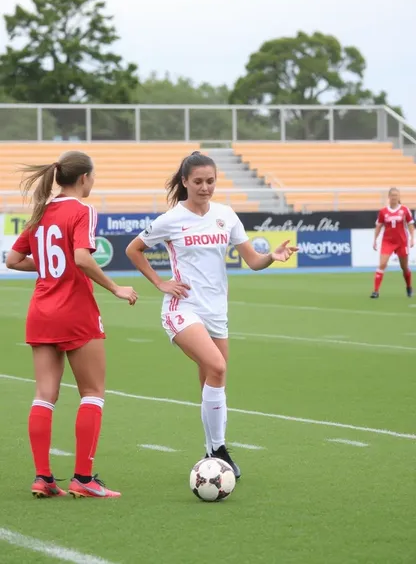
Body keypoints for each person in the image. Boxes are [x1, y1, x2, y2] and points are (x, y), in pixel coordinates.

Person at [125, 151, 297, 478]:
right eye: (199, 181)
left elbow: (253, 260)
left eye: (211, 181)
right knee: (216, 365)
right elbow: (133, 249)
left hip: (217, 311)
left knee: (213, 377)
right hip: (183, 309)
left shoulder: (226, 215)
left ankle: (210, 453)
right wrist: (160, 282)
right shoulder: (171, 219)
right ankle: (219, 448)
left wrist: (272, 256)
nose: (205, 188)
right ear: (185, 182)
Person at [6, 150, 138, 498]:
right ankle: (83, 478)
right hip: (74, 310)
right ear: (84, 179)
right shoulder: (82, 210)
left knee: (44, 395)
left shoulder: (41, 212)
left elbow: (13, 259)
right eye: (93, 177)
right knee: (92, 393)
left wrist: (51, 266)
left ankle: (43, 479)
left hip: (40, 310)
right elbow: (81, 257)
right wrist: (115, 287)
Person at [371, 187, 414, 299]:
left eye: (396, 195)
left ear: (399, 197)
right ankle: (376, 291)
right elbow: (379, 226)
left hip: (401, 242)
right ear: (389, 197)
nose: (394, 198)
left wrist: (412, 238)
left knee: (404, 267)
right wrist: (375, 240)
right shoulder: (383, 212)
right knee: (382, 264)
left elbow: (410, 224)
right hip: (388, 241)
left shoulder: (404, 210)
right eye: (392, 195)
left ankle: (409, 286)